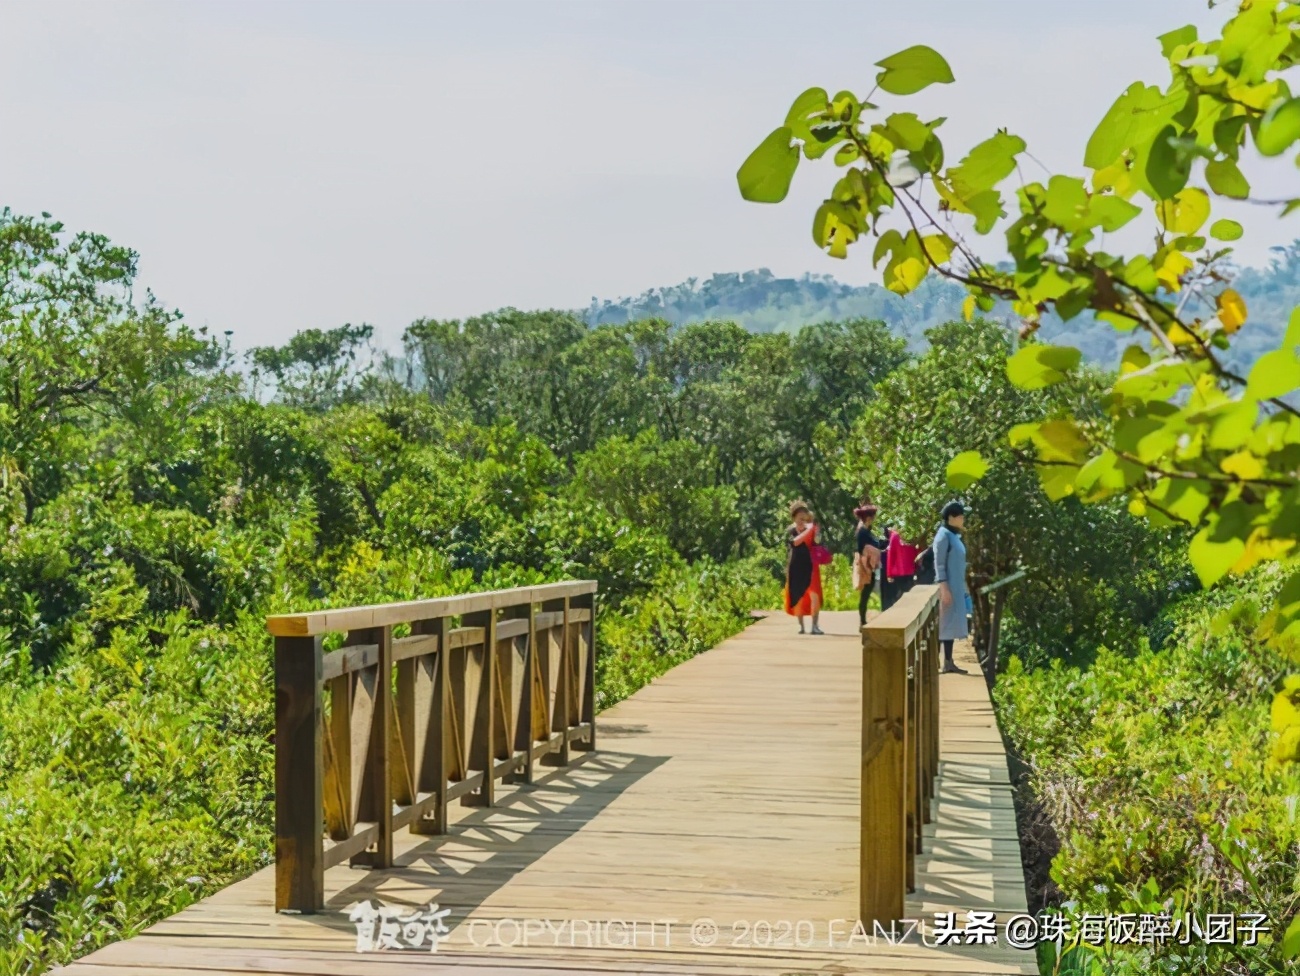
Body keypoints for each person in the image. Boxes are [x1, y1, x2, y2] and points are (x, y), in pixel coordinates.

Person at [933, 500, 970, 674]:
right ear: (951, 517)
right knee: (944, 625)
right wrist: (944, 587)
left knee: (950, 625)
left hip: (956, 587)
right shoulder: (943, 535)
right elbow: (939, 564)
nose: (963, 520)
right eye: (960, 516)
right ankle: (939, 662)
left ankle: (948, 661)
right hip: (947, 587)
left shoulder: (954, 536)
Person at [784, 500, 824, 635]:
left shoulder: (811, 529)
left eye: (805, 518)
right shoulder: (791, 530)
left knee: (814, 595)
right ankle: (801, 626)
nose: (802, 521)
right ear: (794, 518)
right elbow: (795, 542)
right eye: (800, 518)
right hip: (796, 565)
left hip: (811, 565)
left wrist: (815, 531)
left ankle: (814, 625)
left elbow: (817, 542)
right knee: (798, 595)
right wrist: (809, 530)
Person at [853, 504, 886, 627]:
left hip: (869, 565)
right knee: (865, 593)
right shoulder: (863, 532)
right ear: (868, 518)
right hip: (865, 565)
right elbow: (864, 548)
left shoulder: (866, 531)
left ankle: (863, 620)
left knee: (867, 591)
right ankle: (862, 620)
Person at [882, 528, 920, 612]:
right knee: (905, 592)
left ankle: (903, 611)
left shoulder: (896, 535)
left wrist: (889, 574)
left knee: (904, 593)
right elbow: (915, 551)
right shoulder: (908, 534)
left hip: (902, 571)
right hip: (905, 571)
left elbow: (891, 555)